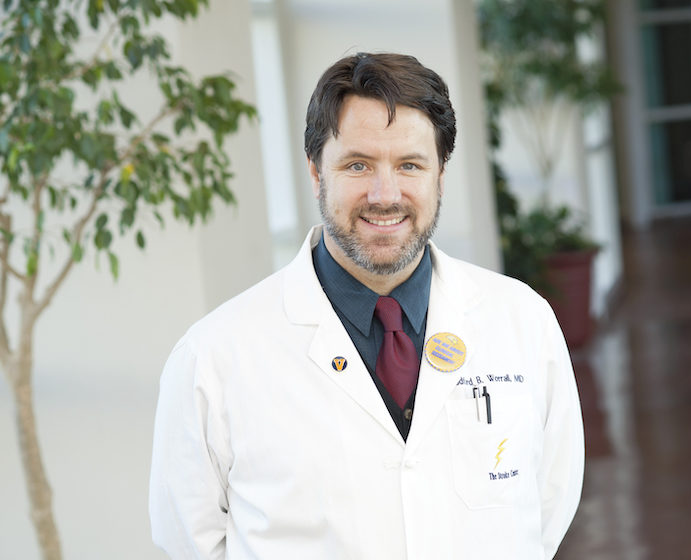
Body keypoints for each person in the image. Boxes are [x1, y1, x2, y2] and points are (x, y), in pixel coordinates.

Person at [149, 52, 584, 559]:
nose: (385, 194)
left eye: (409, 165)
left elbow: (547, 506)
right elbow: (191, 542)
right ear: (316, 173)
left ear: (440, 174)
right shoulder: (214, 356)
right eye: (358, 165)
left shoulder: (522, 321)